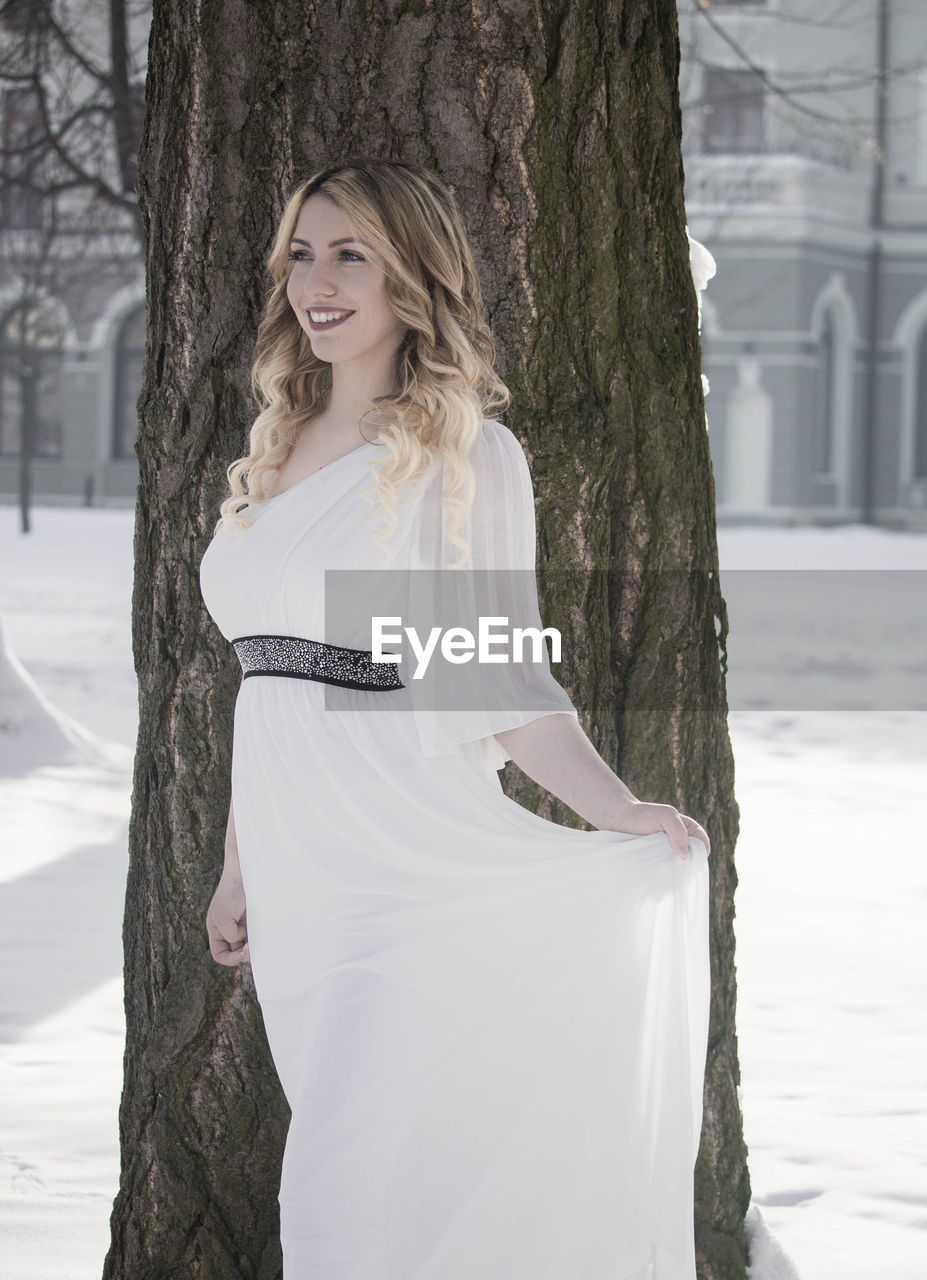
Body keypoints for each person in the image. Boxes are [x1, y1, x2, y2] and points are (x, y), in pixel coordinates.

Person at [199, 156, 711, 1280]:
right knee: (376, 1159)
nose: (317, 281)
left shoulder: (454, 452)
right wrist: (240, 869)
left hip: (402, 856)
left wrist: (616, 806)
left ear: (412, 277)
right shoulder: (276, 447)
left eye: (352, 255)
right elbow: (269, 690)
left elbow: (490, 677)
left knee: (347, 1166)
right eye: (302, 252)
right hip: (301, 872)